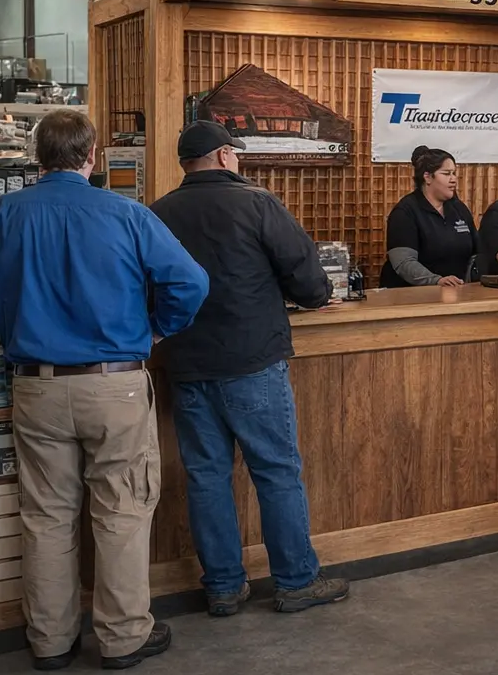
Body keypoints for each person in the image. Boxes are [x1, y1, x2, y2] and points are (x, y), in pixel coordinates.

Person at [0, 109, 208, 671]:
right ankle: (122, 636)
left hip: (35, 387)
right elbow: (191, 281)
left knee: (46, 516)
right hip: (115, 387)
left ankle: (50, 640)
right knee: (122, 511)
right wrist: (159, 328)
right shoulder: (127, 215)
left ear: (38, 158)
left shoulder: (0, 214)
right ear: (92, 157)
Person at [149, 120, 350, 617]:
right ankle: (296, 581)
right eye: (234, 153)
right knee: (277, 472)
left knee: (206, 477)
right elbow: (306, 276)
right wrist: (315, 297)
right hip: (252, 360)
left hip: (187, 364)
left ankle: (222, 586)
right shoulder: (256, 202)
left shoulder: (157, 214)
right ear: (221, 156)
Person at [381, 147, 479, 287]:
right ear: (427, 177)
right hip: (410, 297)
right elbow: (403, 262)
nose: (453, 179)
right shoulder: (405, 211)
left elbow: (476, 253)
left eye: (454, 173)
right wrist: (436, 280)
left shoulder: (459, 209)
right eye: (446, 174)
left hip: (455, 294)